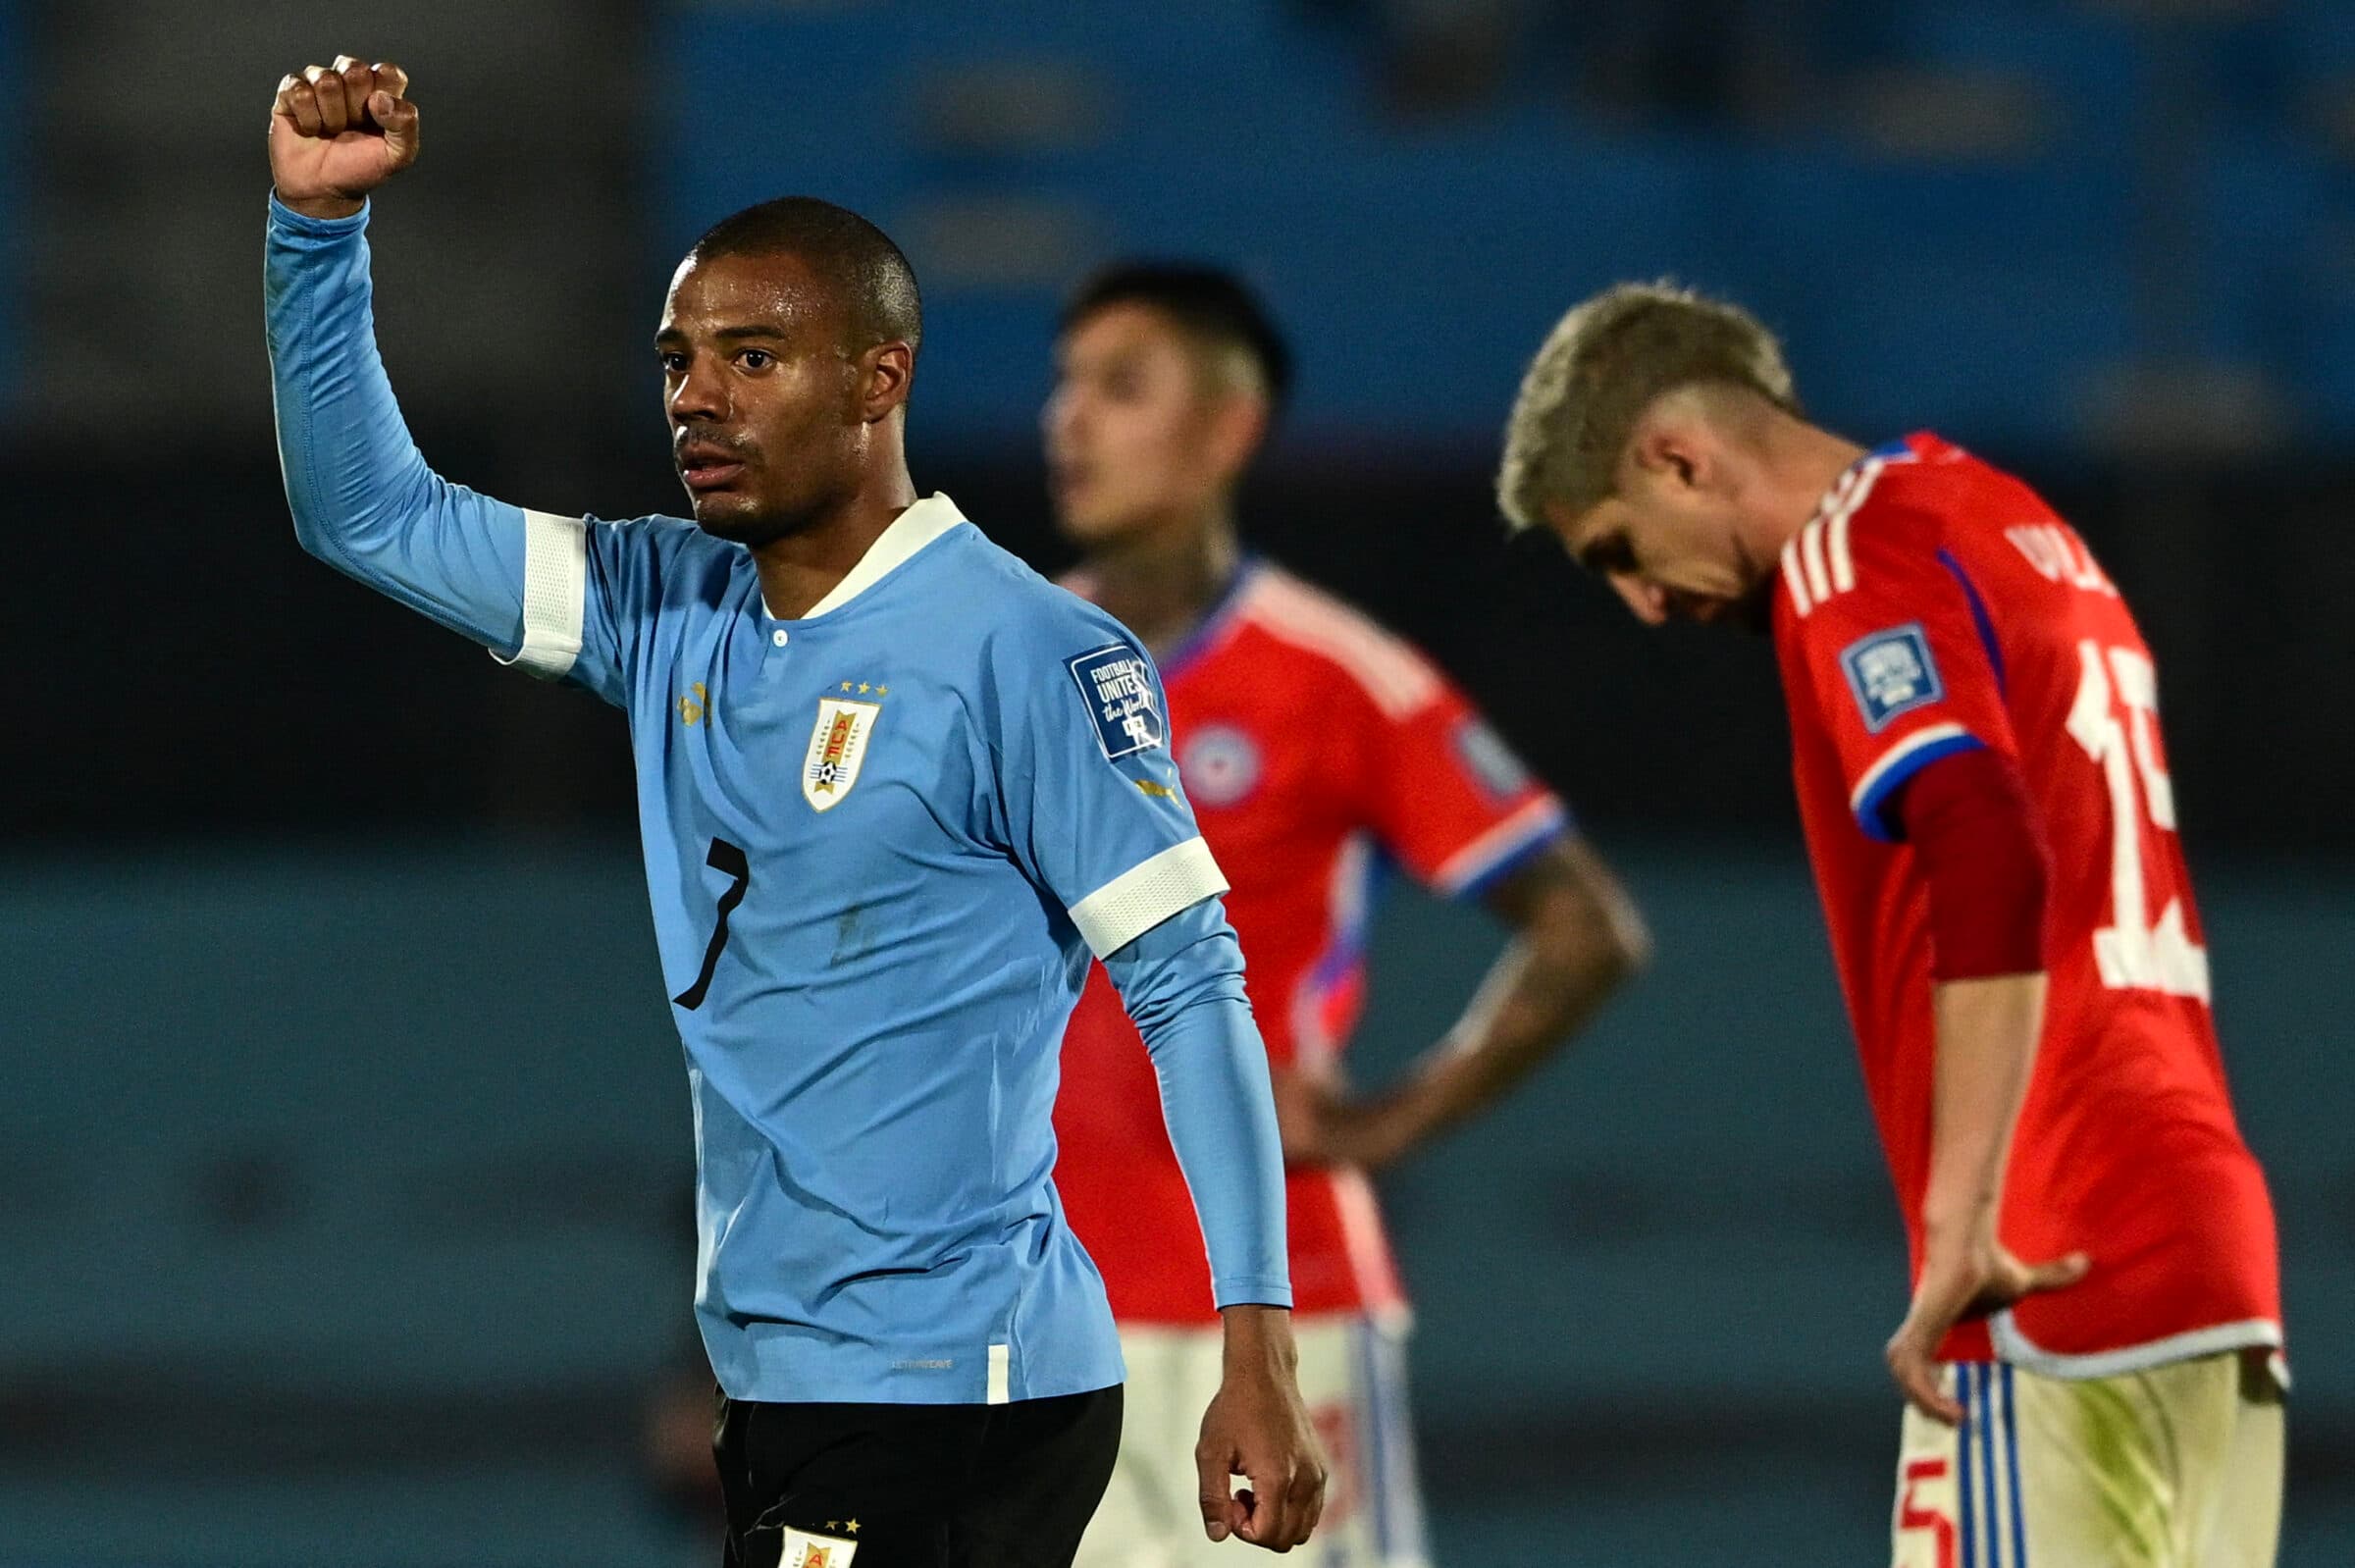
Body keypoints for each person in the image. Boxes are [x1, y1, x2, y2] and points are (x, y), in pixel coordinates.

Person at [265, 58, 1327, 1566]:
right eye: (678, 358)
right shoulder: (664, 603)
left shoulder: (1027, 652)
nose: (696, 395)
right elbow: (366, 513)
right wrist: (315, 234)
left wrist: (1258, 1345)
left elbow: (1189, 983)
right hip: (788, 1379)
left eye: (752, 357)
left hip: (954, 1387)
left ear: (878, 378)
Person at [1497, 283, 2285, 1565]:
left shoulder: (1848, 552)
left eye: (1620, 551)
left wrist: (1964, 1216)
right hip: (2210, 1267)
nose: (1642, 604)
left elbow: (1984, 836)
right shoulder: (2013, 522)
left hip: (2045, 1264)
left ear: (1677, 457)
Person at [1045, 264, 1650, 1566]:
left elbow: (1583, 924)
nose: (1068, 419)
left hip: (1268, 1322)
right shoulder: (991, 661)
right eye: (1066, 383)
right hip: (1024, 1317)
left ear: (1226, 429)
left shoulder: (1334, 677)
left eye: (1120, 384)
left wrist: (1390, 1118)